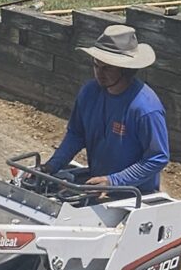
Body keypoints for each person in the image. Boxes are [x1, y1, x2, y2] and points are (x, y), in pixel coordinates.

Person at [45, 24, 170, 194]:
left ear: (126, 70)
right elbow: (76, 134)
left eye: (107, 68)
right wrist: (53, 165)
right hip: (98, 184)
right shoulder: (89, 93)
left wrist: (114, 181)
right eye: (96, 65)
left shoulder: (145, 108)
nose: (99, 73)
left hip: (134, 195)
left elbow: (157, 158)